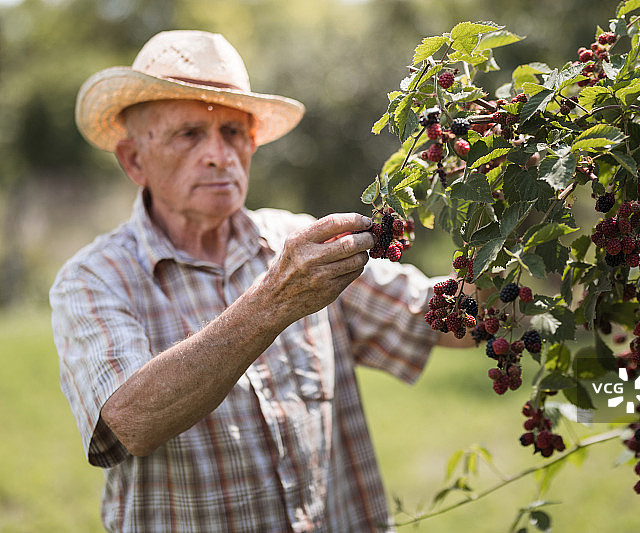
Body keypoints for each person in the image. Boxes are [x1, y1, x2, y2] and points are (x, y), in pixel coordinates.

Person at [50, 30, 467, 533]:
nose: (218, 155)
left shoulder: (298, 242)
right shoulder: (94, 277)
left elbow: (442, 317)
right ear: (135, 160)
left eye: (232, 133)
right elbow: (130, 421)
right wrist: (275, 301)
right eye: (188, 134)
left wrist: (512, 219)